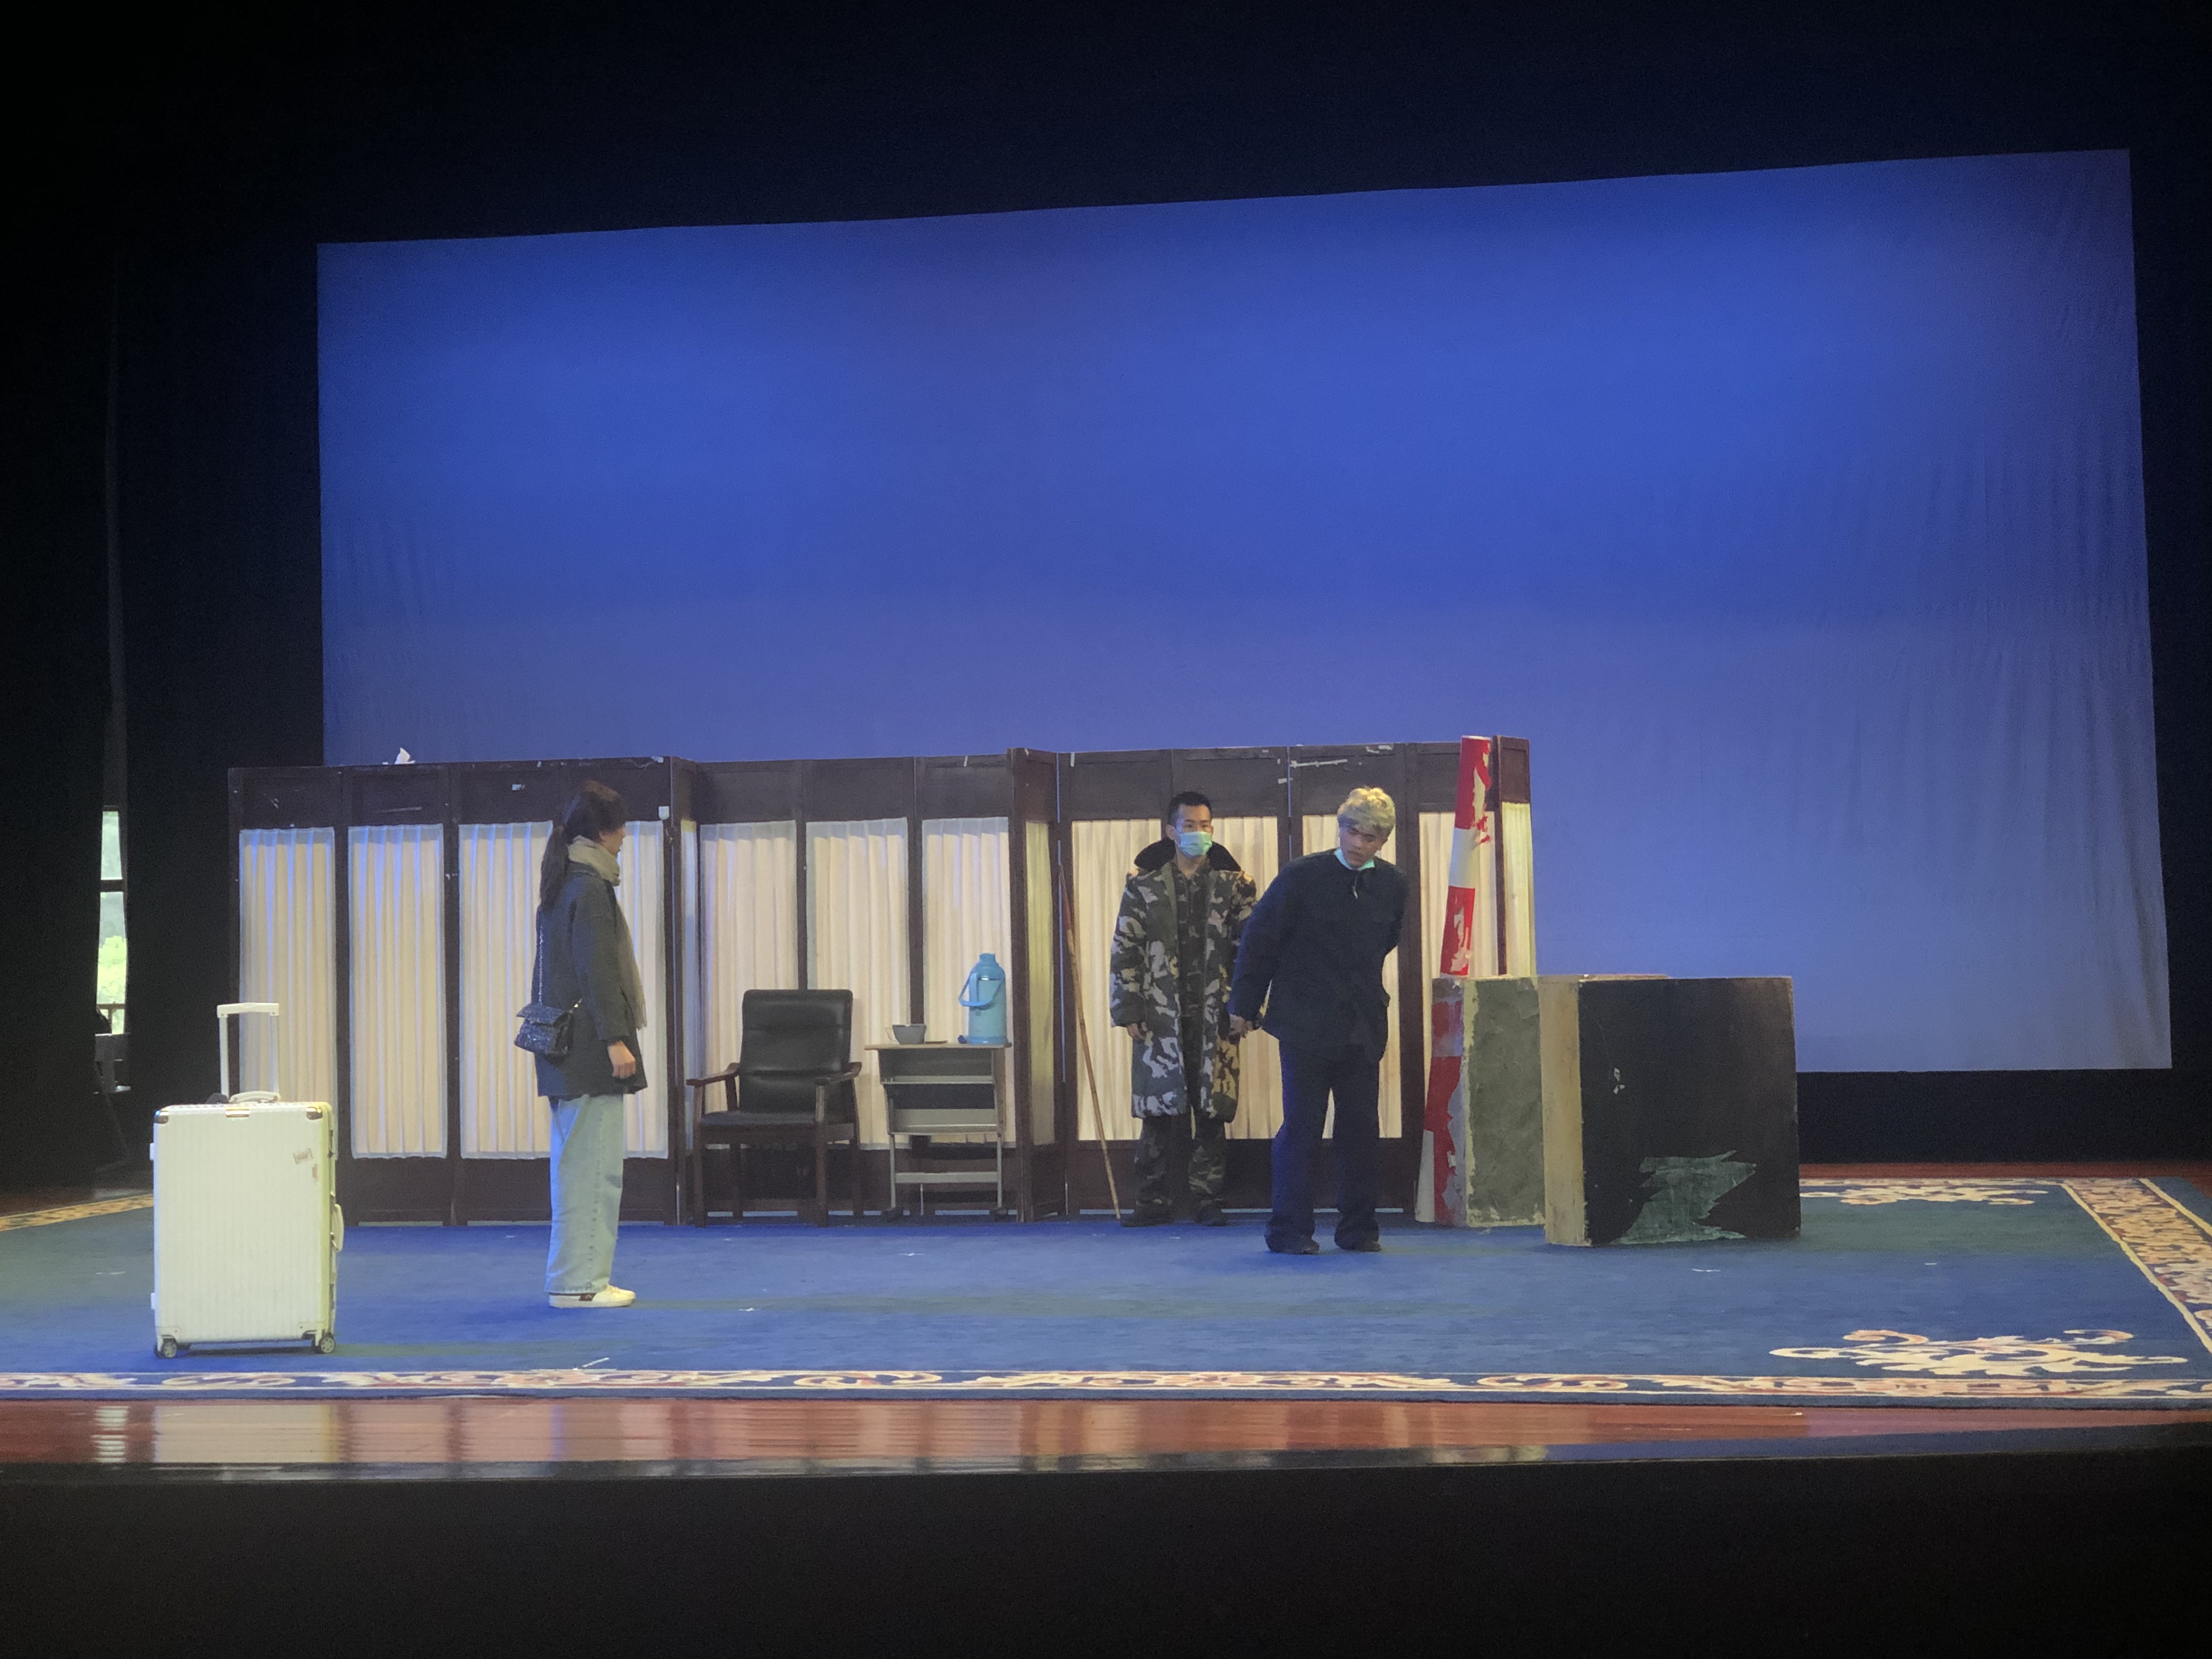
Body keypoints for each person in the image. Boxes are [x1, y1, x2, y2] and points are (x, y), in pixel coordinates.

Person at [1230, 786, 1408, 1255]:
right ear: (1339, 827)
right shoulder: (1301, 876)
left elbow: (1387, 941)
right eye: (1352, 831)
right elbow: (1260, 940)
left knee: (1361, 1130)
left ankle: (1358, 1229)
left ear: (1384, 841)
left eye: (1370, 837)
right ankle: (1288, 1230)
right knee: (1302, 1128)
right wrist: (1244, 1005)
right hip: (1304, 1022)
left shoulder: (1394, 884)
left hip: (1362, 1025)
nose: (1358, 843)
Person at [1109, 791, 1257, 1226]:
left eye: (1205, 825)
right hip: (1160, 1013)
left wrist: (1246, 1007)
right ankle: (1151, 1200)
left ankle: (1208, 1200)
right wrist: (1129, 1008)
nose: (1199, 833)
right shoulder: (1143, 886)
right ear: (1171, 831)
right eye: (1190, 826)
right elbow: (1126, 949)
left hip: (1218, 1013)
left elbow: (1251, 949)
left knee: (1212, 1109)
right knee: (1157, 1109)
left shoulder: (1236, 885)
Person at [531, 780, 648, 1308]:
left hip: (563, 1046)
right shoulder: (590, 888)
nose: (625, 838)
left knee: (574, 1167)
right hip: (590, 1049)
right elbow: (598, 973)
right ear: (603, 832)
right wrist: (616, 1040)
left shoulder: (561, 883)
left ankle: (574, 1279)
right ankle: (582, 1284)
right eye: (621, 828)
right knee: (595, 1170)